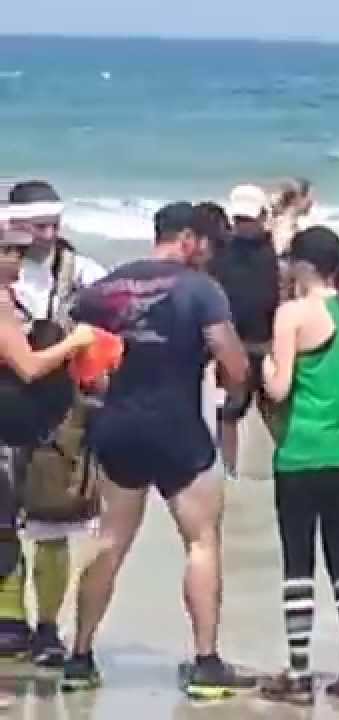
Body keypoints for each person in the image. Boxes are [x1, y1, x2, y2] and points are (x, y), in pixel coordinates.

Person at [62, 202, 253, 698]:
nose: (208, 257)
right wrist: (236, 394)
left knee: (110, 540)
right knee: (201, 542)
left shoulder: (102, 292)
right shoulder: (201, 290)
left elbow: (84, 367)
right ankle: (207, 664)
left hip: (118, 425)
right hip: (177, 429)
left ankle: (79, 656)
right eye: (206, 245)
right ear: (188, 239)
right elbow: (231, 360)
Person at [257, 227, 339, 705]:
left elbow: (280, 388)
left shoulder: (292, 314)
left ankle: (299, 670)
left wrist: (267, 365)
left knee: (298, 564)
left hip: (302, 451)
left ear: (304, 266)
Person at [3, 181, 107, 667]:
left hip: (57, 412)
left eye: (53, 224)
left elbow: (113, 325)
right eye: (36, 226)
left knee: (52, 521)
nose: (48, 234)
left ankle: (47, 627)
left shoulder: (83, 272)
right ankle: (9, 621)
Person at [208, 184, 280, 482]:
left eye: (249, 220)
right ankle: (230, 474)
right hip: (233, 346)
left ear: (264, 217)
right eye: (239, 220)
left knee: (277, 412)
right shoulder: (221, 254)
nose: (243, 226)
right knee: (228, 414)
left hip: (269, 346)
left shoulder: (278, 252)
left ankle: (288, 468)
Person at [268, 178, 315, 256]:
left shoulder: (280, 221)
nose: (312, 203)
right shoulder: (284, 226)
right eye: (309, 198)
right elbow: (278, 253)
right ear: (297, 198)